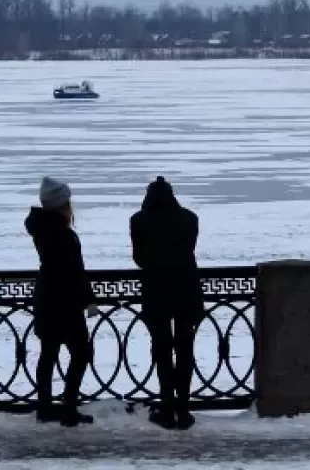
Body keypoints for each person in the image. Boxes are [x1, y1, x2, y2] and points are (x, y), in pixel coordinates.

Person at [129, 175, 204, 430]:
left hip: (156, 292)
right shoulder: (189, 219)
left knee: (161, 350)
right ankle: (183, 409)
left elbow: (138, 257)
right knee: (185, 349)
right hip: (187, 291)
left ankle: (167, 407)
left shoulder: (138, 221)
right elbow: (189, 249)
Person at [25, 176, 97, 427]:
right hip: (64, 303)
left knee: (49, 354)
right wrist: (88, 300)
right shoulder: (61, 234)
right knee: (81, 353)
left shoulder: (44, 228)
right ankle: (68, 407)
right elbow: (74, 271)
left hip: (48, 300)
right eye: (68, 202)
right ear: (61, 205)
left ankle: (46, 408)